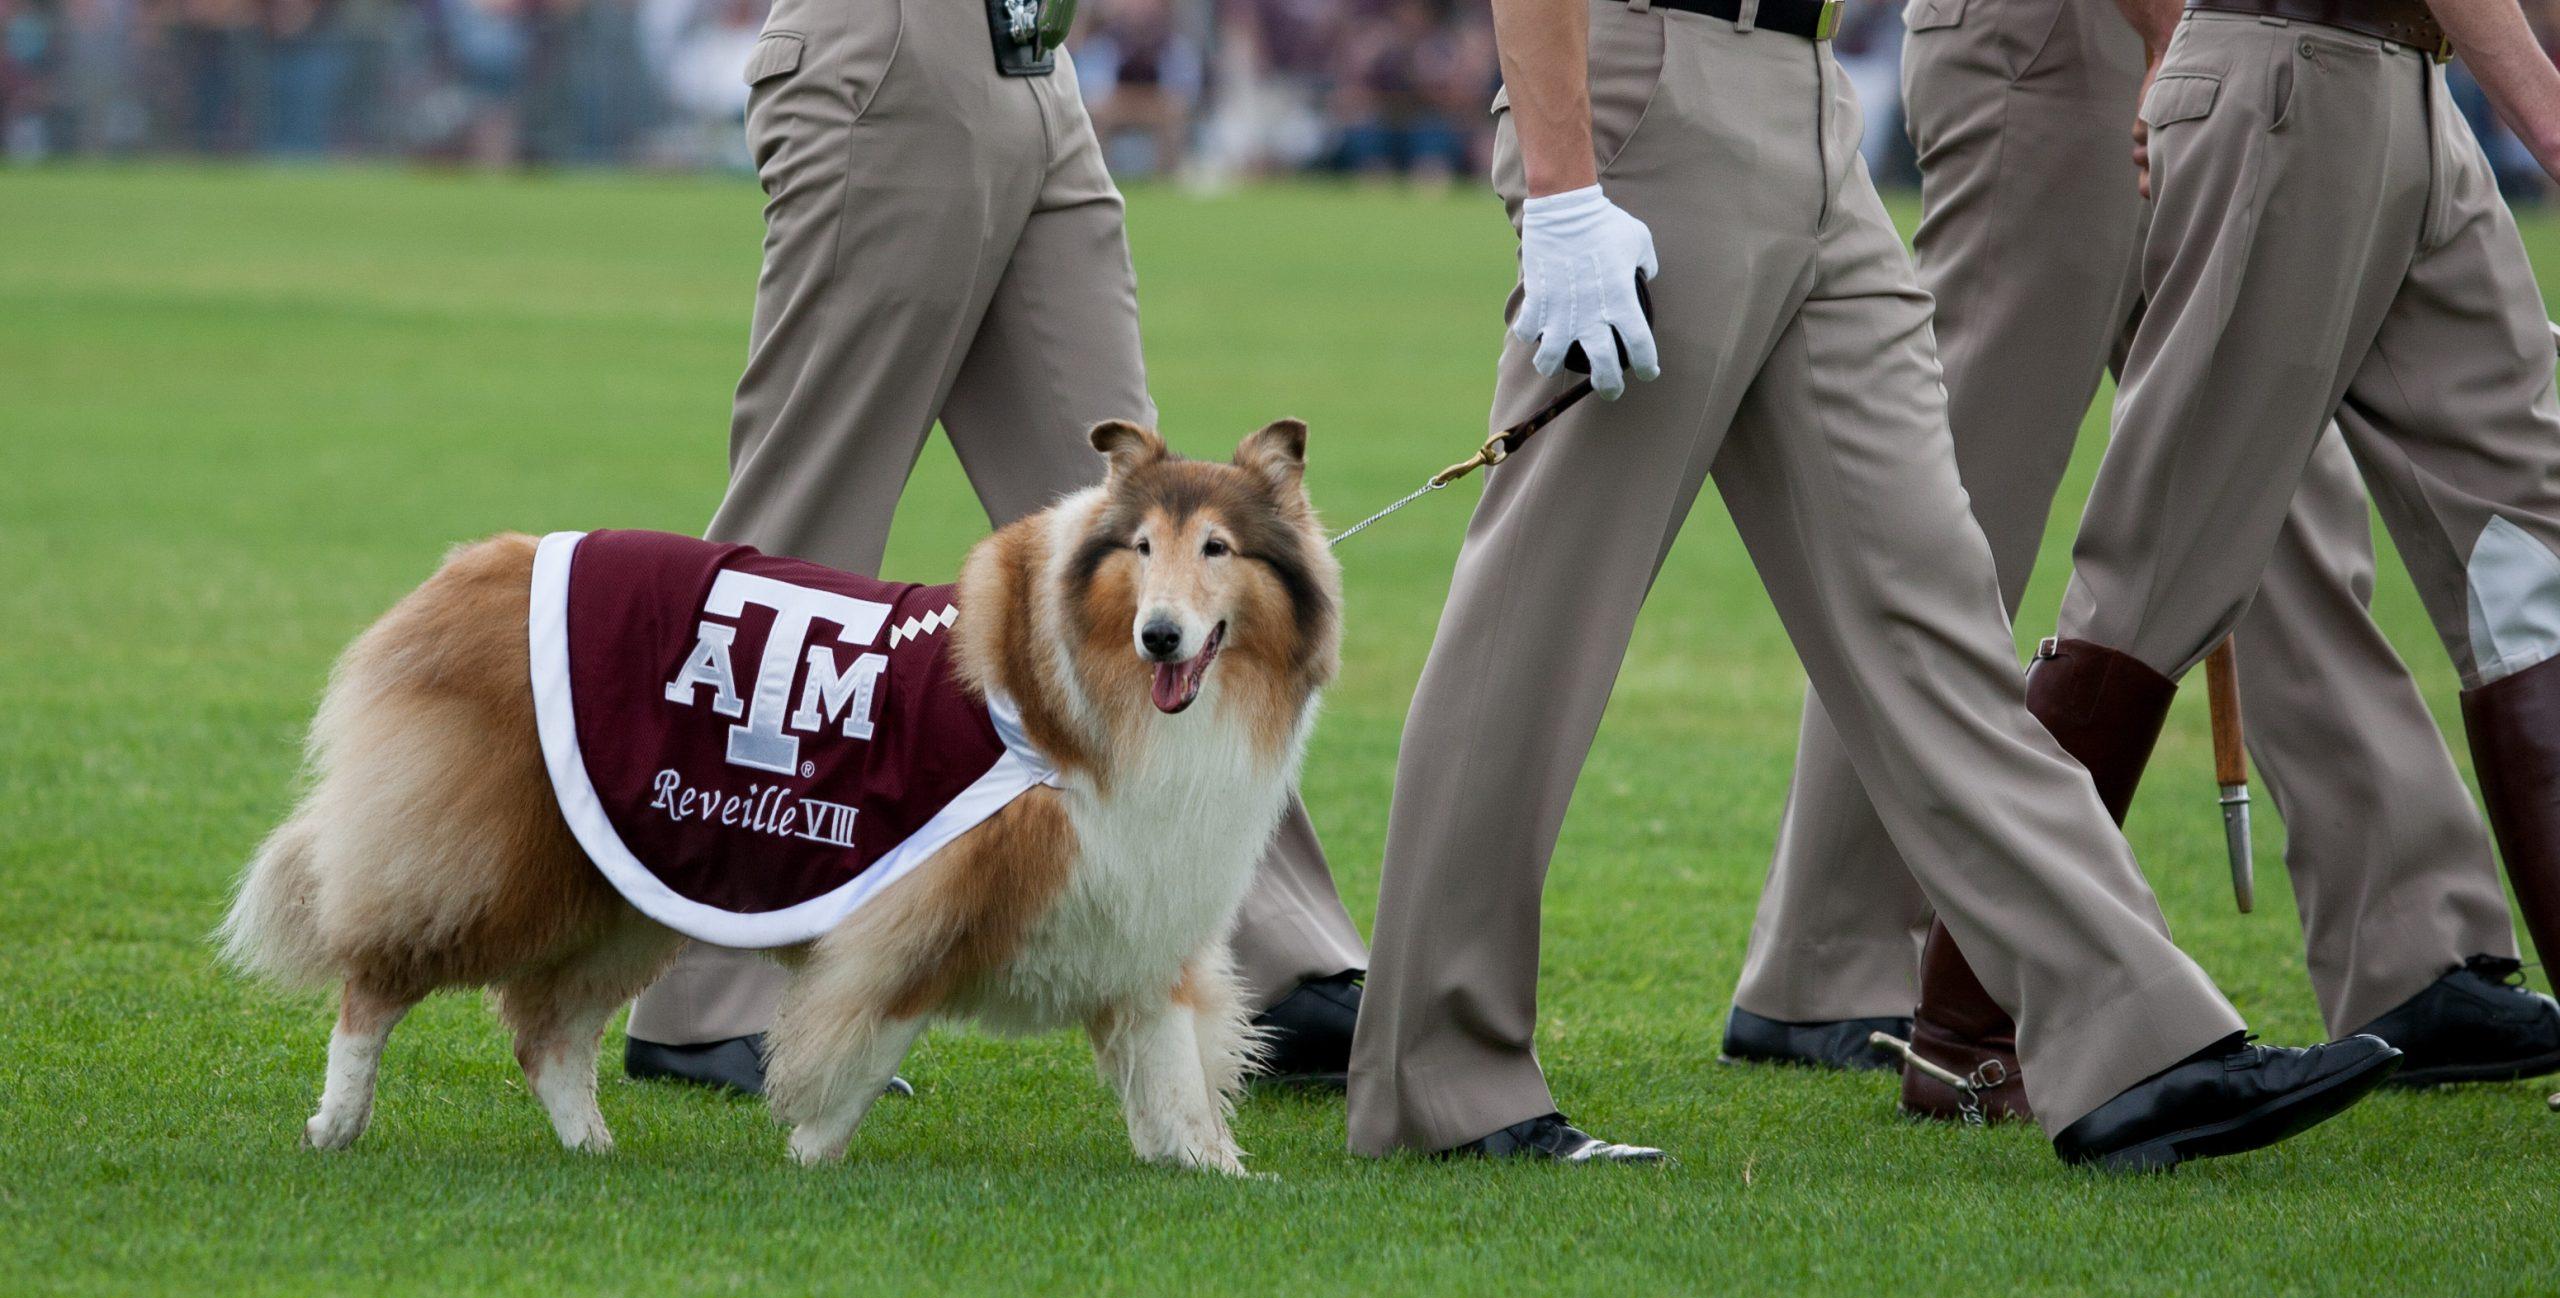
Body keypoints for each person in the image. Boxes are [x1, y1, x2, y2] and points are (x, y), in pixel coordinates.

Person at [1345, 0, 2401, 1168]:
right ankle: (1435, 1081)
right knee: (1541, 617)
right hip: (1646, 90)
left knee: (1933, 614)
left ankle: (2135, 1041)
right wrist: (1562, 190)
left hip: (1810, 98)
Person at [1722, 0, 2560, 1115]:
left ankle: (2408, 944)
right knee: (1954, 505)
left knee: (2272, 508)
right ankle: (1846, 961)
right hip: (2075, 40)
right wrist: (2171, 34)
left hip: (2346, 54)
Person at [621, 0, 1369, 1094]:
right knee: (800, 537)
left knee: (1141, 550)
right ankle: (704, 984)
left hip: (1035, 61)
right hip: (891, 53)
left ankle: (1265, 953)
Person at [1963, 0, 2560, 1052]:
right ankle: (1963, 1024)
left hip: (2411, 80)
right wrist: (2547, 113)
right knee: (2157, 572)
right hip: (2285, 72)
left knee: (2532, 546)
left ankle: (2417, 970)